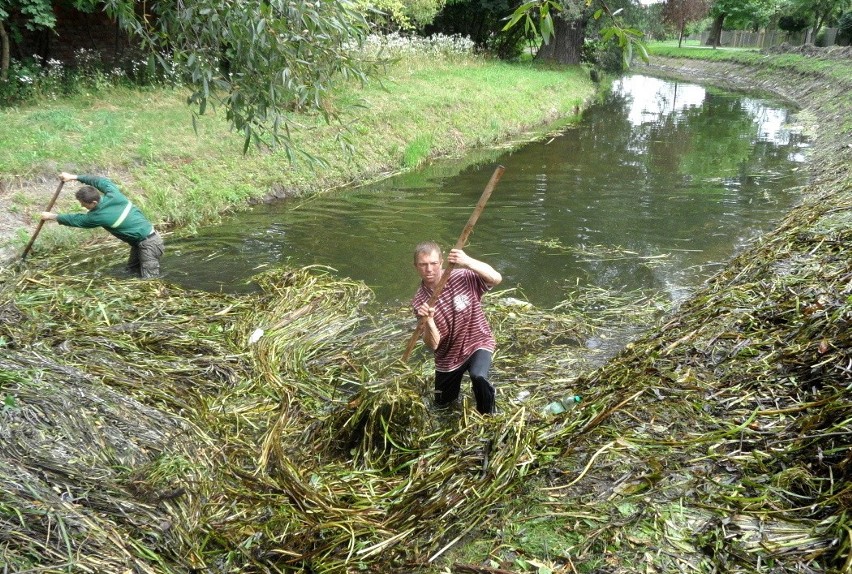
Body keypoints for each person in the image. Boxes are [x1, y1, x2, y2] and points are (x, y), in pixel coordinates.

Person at [412, 241, 502, 414]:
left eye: (433, 263)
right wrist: (429, 321)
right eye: (423, 265)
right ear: (416, 266)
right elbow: (433, 345)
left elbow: (496, 279)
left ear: (441, 262)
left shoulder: (462, 276)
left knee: (479, 377)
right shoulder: (419, 301)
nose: (429, 269)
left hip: (477, 341)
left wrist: (467, 261)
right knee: (442, 405)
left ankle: (488, 417)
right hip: (448, 355)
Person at [40, 172, 164, 278]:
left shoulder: (99, 216)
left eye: (84, 204)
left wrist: (52, 216)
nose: (82, 206)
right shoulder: (113, 193)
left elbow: (77, 220)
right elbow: (99, 181)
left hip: (149, 245)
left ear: (94, 202)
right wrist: (73, 177)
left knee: (150, 279)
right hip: (140, 242)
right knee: (131, 271)